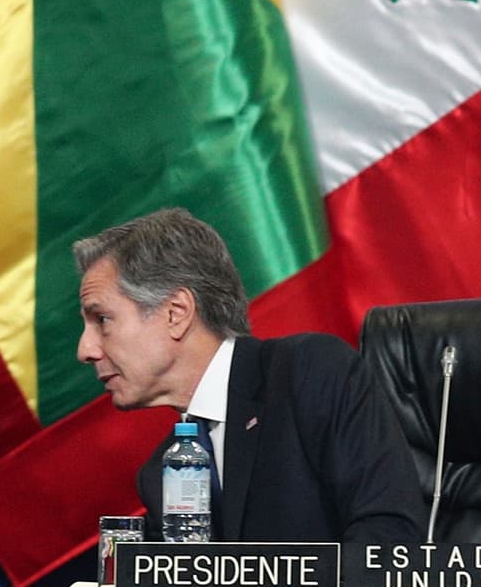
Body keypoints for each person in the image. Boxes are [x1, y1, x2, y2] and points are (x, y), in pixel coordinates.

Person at [73, 207, 424, 545]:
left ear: (175, 313)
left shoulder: (311, 375)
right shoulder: (161, 472)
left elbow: (387, 544)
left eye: (101, 319)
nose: (85, 350)